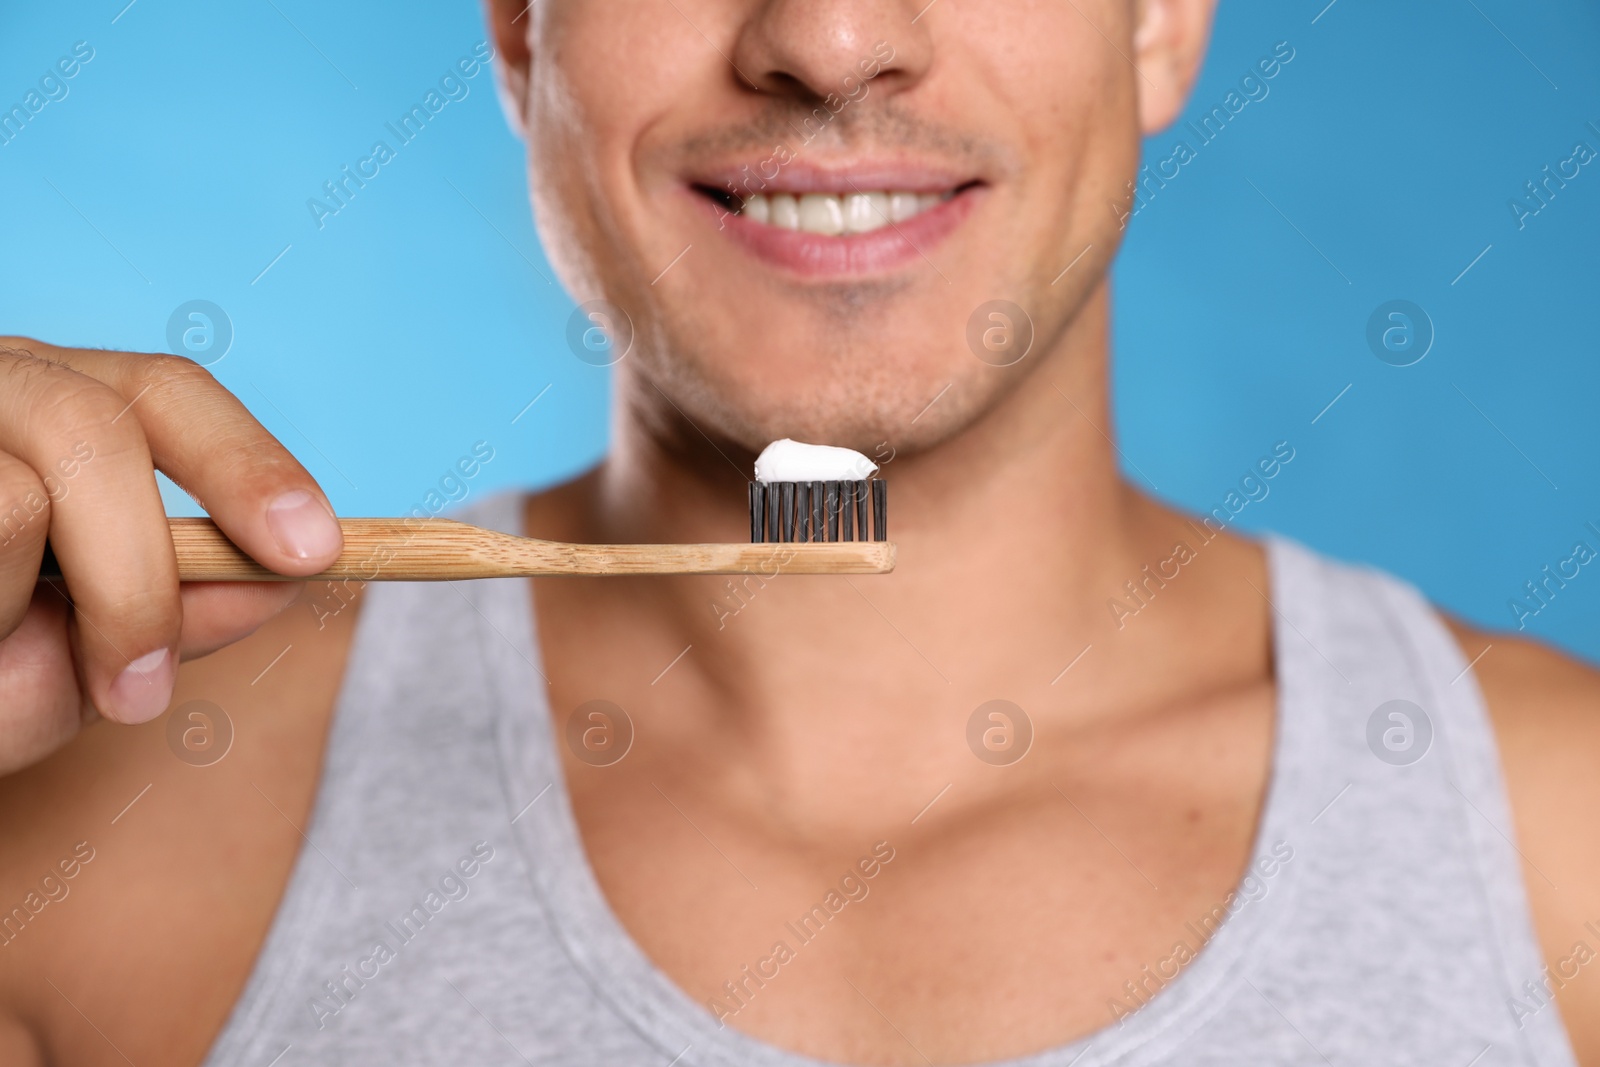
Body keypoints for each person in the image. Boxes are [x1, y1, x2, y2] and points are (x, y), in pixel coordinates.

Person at [0, 1, 1596, 1064]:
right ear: (516, 25)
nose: (833, 41)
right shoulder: (84, 827)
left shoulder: (1560, 843)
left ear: (1163, 17)